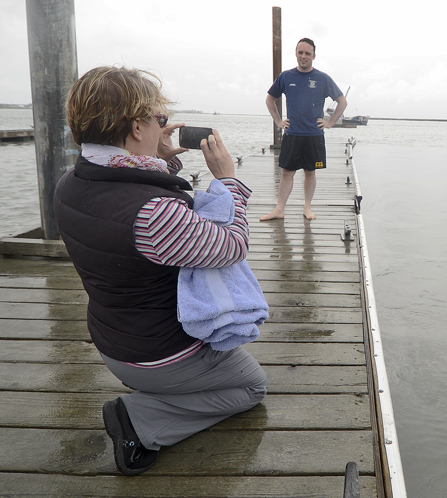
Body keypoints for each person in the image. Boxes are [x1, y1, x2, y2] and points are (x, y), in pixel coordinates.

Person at [53, 66, 267, 476]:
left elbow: (129, 210)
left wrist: (157, 161)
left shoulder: (70, 183)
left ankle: (150, 398)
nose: (163, 128)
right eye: (159, 120)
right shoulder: (153, 213)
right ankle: (141, 421)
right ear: (136, 126)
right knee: (250, 386)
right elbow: (231, 247)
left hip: (113, 341)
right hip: (158, 357)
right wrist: (229, 182)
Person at [260, 37, 347, 221]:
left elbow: (342, 101)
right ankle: (279, 209)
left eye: (308, 53)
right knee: (286, 173)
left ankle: (307, 208)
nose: (304, 56)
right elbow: (270, 99)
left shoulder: (322, 78)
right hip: (292, 134)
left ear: (314, 55)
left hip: (314, 135)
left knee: (310, 172)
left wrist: (330, 122)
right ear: (296, 54)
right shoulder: (286, 76)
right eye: (300, 52)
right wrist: (278, 121)